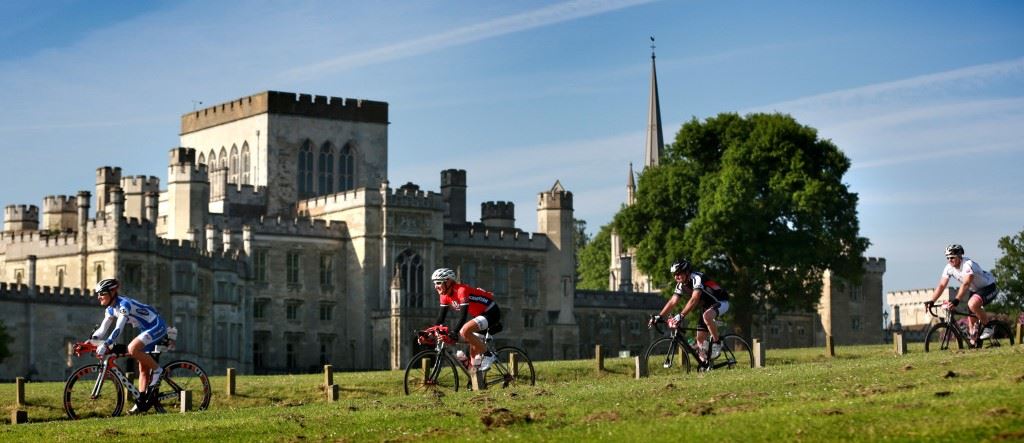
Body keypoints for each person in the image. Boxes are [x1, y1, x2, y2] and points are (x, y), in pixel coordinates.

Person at [90, 278, 168, 412]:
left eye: (101, 293)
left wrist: (107, 343)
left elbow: (118, 328)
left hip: (156, 325)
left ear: (112, 292)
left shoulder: (124, 305)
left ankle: (158, 370)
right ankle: (142, 402)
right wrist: (90, 341)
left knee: (132, 348)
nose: (99, 297)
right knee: (142, 369)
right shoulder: (110, 309)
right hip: (146, 329)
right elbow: (102, 329)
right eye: (97, 294)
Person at [649, 259, 730, 365]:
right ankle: (707, 366)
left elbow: (694, 299)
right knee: (700, 341)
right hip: (707, 307)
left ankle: (717, 342)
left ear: (687, 272)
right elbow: (673, 301)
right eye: (674, 275)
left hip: (720, 301)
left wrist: (681, 315)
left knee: (707, 316)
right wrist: (659, 316)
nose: (676, 277)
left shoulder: (697, 278)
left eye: (678, 274)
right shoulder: (680, 285)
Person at [431, 268, 502, 371]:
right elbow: (441, 318)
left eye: (438, 283)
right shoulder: (444, 295)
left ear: (448, 281)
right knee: (474, 360)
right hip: (479, 316)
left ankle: (489, 355)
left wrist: (454, 332)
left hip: (491, 312)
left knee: (464, 331)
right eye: (434, 283)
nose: (435, 286)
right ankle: (477, 382)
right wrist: (429, 332)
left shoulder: (461, 290)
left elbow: (463, 316)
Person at [926, 244, 999, 344]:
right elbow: (942, 285)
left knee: (972, 304)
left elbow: (966, 283)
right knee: (971, 320)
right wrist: (932, 301)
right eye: (947, 258)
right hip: (975, 290)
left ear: (960, 256)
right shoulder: (949, 268)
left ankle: (988, 327)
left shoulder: (967, 264)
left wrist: (956, 300)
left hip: (988, 287)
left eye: (952, 257)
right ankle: (975, 342)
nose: (949, 260)